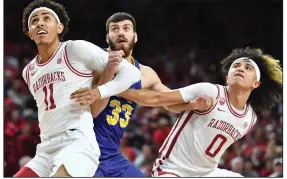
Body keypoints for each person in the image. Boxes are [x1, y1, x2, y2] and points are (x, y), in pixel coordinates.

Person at [72, 48, 282, 177]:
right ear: (227, 77)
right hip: (172, 170)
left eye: (247, 67)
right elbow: (157, 99)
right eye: (236, 65)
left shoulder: (250, 119)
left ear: (256, 83)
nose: (240, 68)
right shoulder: (210, 91)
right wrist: (109, 89)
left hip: (206, 173)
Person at [70, 12, 212, 177]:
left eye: (126, 28)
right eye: (115, 29)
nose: (121, 32)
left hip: (111, 154)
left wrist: (193, 104)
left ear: (135, 37)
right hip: (83, 148)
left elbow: (167, 101)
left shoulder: (146, 73)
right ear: (108, 37)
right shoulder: (92, 61)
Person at [14, 0, 141, 177]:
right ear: (30, 34)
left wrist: (98, 92)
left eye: (46, 18)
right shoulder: (29, 71)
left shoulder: (75, 49)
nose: (40, 23)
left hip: (76, 142)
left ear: (59, 27)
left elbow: (132, 73)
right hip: (45, 149)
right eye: (34, 21)